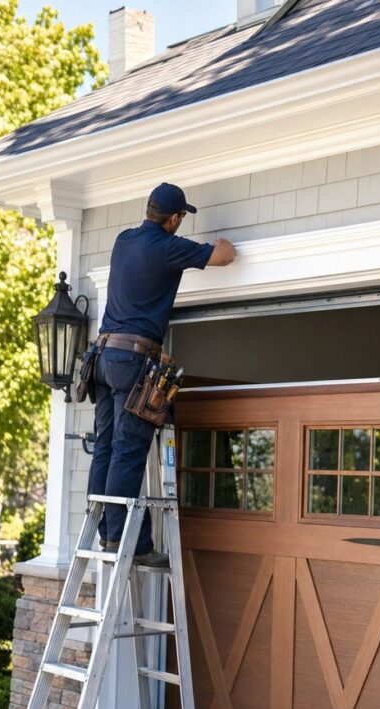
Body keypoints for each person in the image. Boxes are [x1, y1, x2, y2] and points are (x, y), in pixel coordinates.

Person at [87, 183, 236, 567]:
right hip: (130, 362)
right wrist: (218, 239)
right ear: (174, 219)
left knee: (105, 445)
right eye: (180, 217)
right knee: (129, 449)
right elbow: (225, 256)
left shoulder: (123, 240)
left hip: (102, 357)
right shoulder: (169, 247)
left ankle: (103, 532)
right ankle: (127, 542)